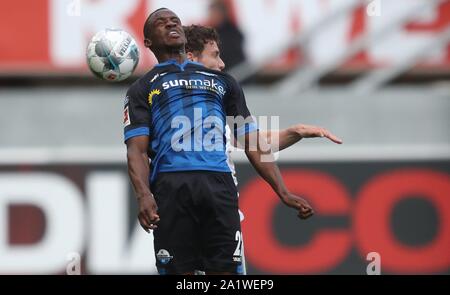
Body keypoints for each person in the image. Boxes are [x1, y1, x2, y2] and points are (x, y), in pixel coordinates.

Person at [124, 8, 314, 275]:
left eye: (174, 20)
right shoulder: (143, 88)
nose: (170, 24)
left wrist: (282, 190)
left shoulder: (224, 82)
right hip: (171, 187)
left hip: (219, 185)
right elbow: (136, 150)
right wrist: (143, 195)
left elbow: (251, 141)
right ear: (147, 42)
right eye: (160, 22)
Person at [182, 24, 342, 275]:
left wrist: (294, 131)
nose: (222, 64)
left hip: (219, 213)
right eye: (214, 55)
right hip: (189, 213)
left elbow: (250, 141)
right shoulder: (169, 101)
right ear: (191, 56)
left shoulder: (220, 99)